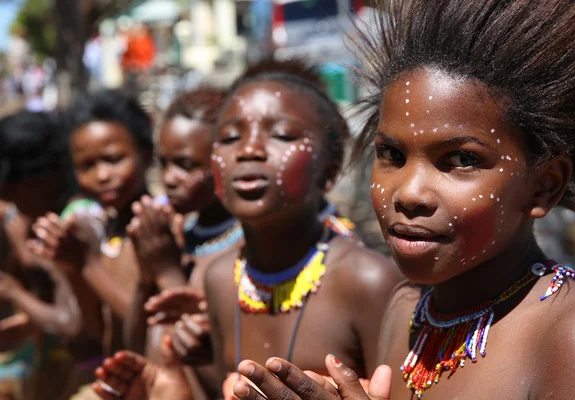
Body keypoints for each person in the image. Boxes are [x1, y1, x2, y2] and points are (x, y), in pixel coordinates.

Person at [212, 0, 575, 399]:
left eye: (462, 160)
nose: (409, 193)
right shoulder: (405, 310)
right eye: (392, 155)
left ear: (544, 185)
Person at [92, 58, 403, 400]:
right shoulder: (221, 279)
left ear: (327, 174)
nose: (249, 150)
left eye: (282, 135)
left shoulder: (368, 280)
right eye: (230, 137)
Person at [30, 90, 154, 398]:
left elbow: (150, 324)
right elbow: (98, 330)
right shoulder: (106, 228)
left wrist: (88, 263)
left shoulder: (159, 227)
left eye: (114, 159)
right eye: (87, 166)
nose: (102, 175)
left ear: (146, 153)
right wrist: (71, 266)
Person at [124, 87, 242, 365]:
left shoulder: (245, 246)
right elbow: (132, 348)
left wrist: (167, 271)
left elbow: (210, 360)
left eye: (186, 165)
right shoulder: (179, 237)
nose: (169, 178)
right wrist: (146, 275)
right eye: (163, 163)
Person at [0, 111, 81, 400]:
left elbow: (70, 323)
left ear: (39, 180)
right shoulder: (25, 218)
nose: (9, 200)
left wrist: (14, 292)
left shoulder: (69, 225)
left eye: (11, 190)